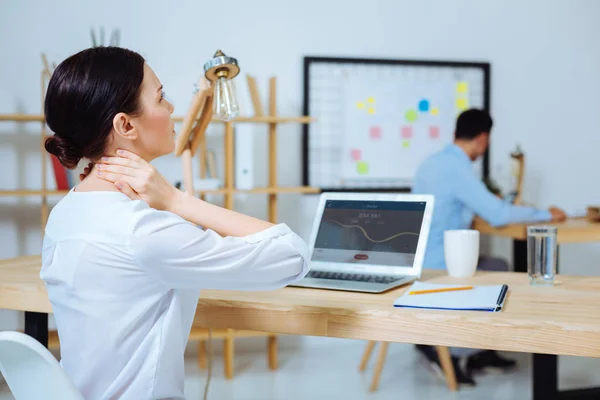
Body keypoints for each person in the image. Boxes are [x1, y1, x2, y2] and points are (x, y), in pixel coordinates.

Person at [41, 46, 310, 400]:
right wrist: (176, 200)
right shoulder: (143, 231)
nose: (170, 109)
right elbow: (293, 256)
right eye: (161, 97)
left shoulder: (65, 213)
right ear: (125, 124)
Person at [411, 108, 567, 386]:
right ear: (482, 139)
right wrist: (545, 213)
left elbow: (455, 207)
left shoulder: (431, 163)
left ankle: (480, 350)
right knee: (498, 272)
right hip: (438, 265)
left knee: (497, 266)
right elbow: (498, 215)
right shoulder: (457, 169)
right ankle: (445, 348)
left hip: (418, 257)